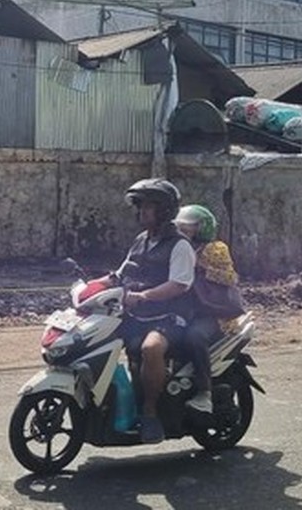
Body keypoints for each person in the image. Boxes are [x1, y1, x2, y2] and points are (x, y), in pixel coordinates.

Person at [97, 178, 196, 444]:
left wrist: (143, 296)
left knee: (150, 349)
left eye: (148, 207)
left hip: (169, 316)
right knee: (96, 338)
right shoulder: (141, 240)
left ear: (164, 210)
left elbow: (179, 284)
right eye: (139, 207)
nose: (142, 212)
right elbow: (121, 274)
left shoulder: (180, 245)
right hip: (137, 314)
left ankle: (150, 413)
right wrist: (92, 287)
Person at [174, 204, 246, 415]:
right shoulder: (178, 248)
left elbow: (230, 277)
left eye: (188, 228)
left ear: (202, 228)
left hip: (214, 314)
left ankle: (204, 393)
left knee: (194, 337)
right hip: (186, 311)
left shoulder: (216, 249)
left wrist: (199, 266)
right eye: (181, 228)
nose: (183, 232)